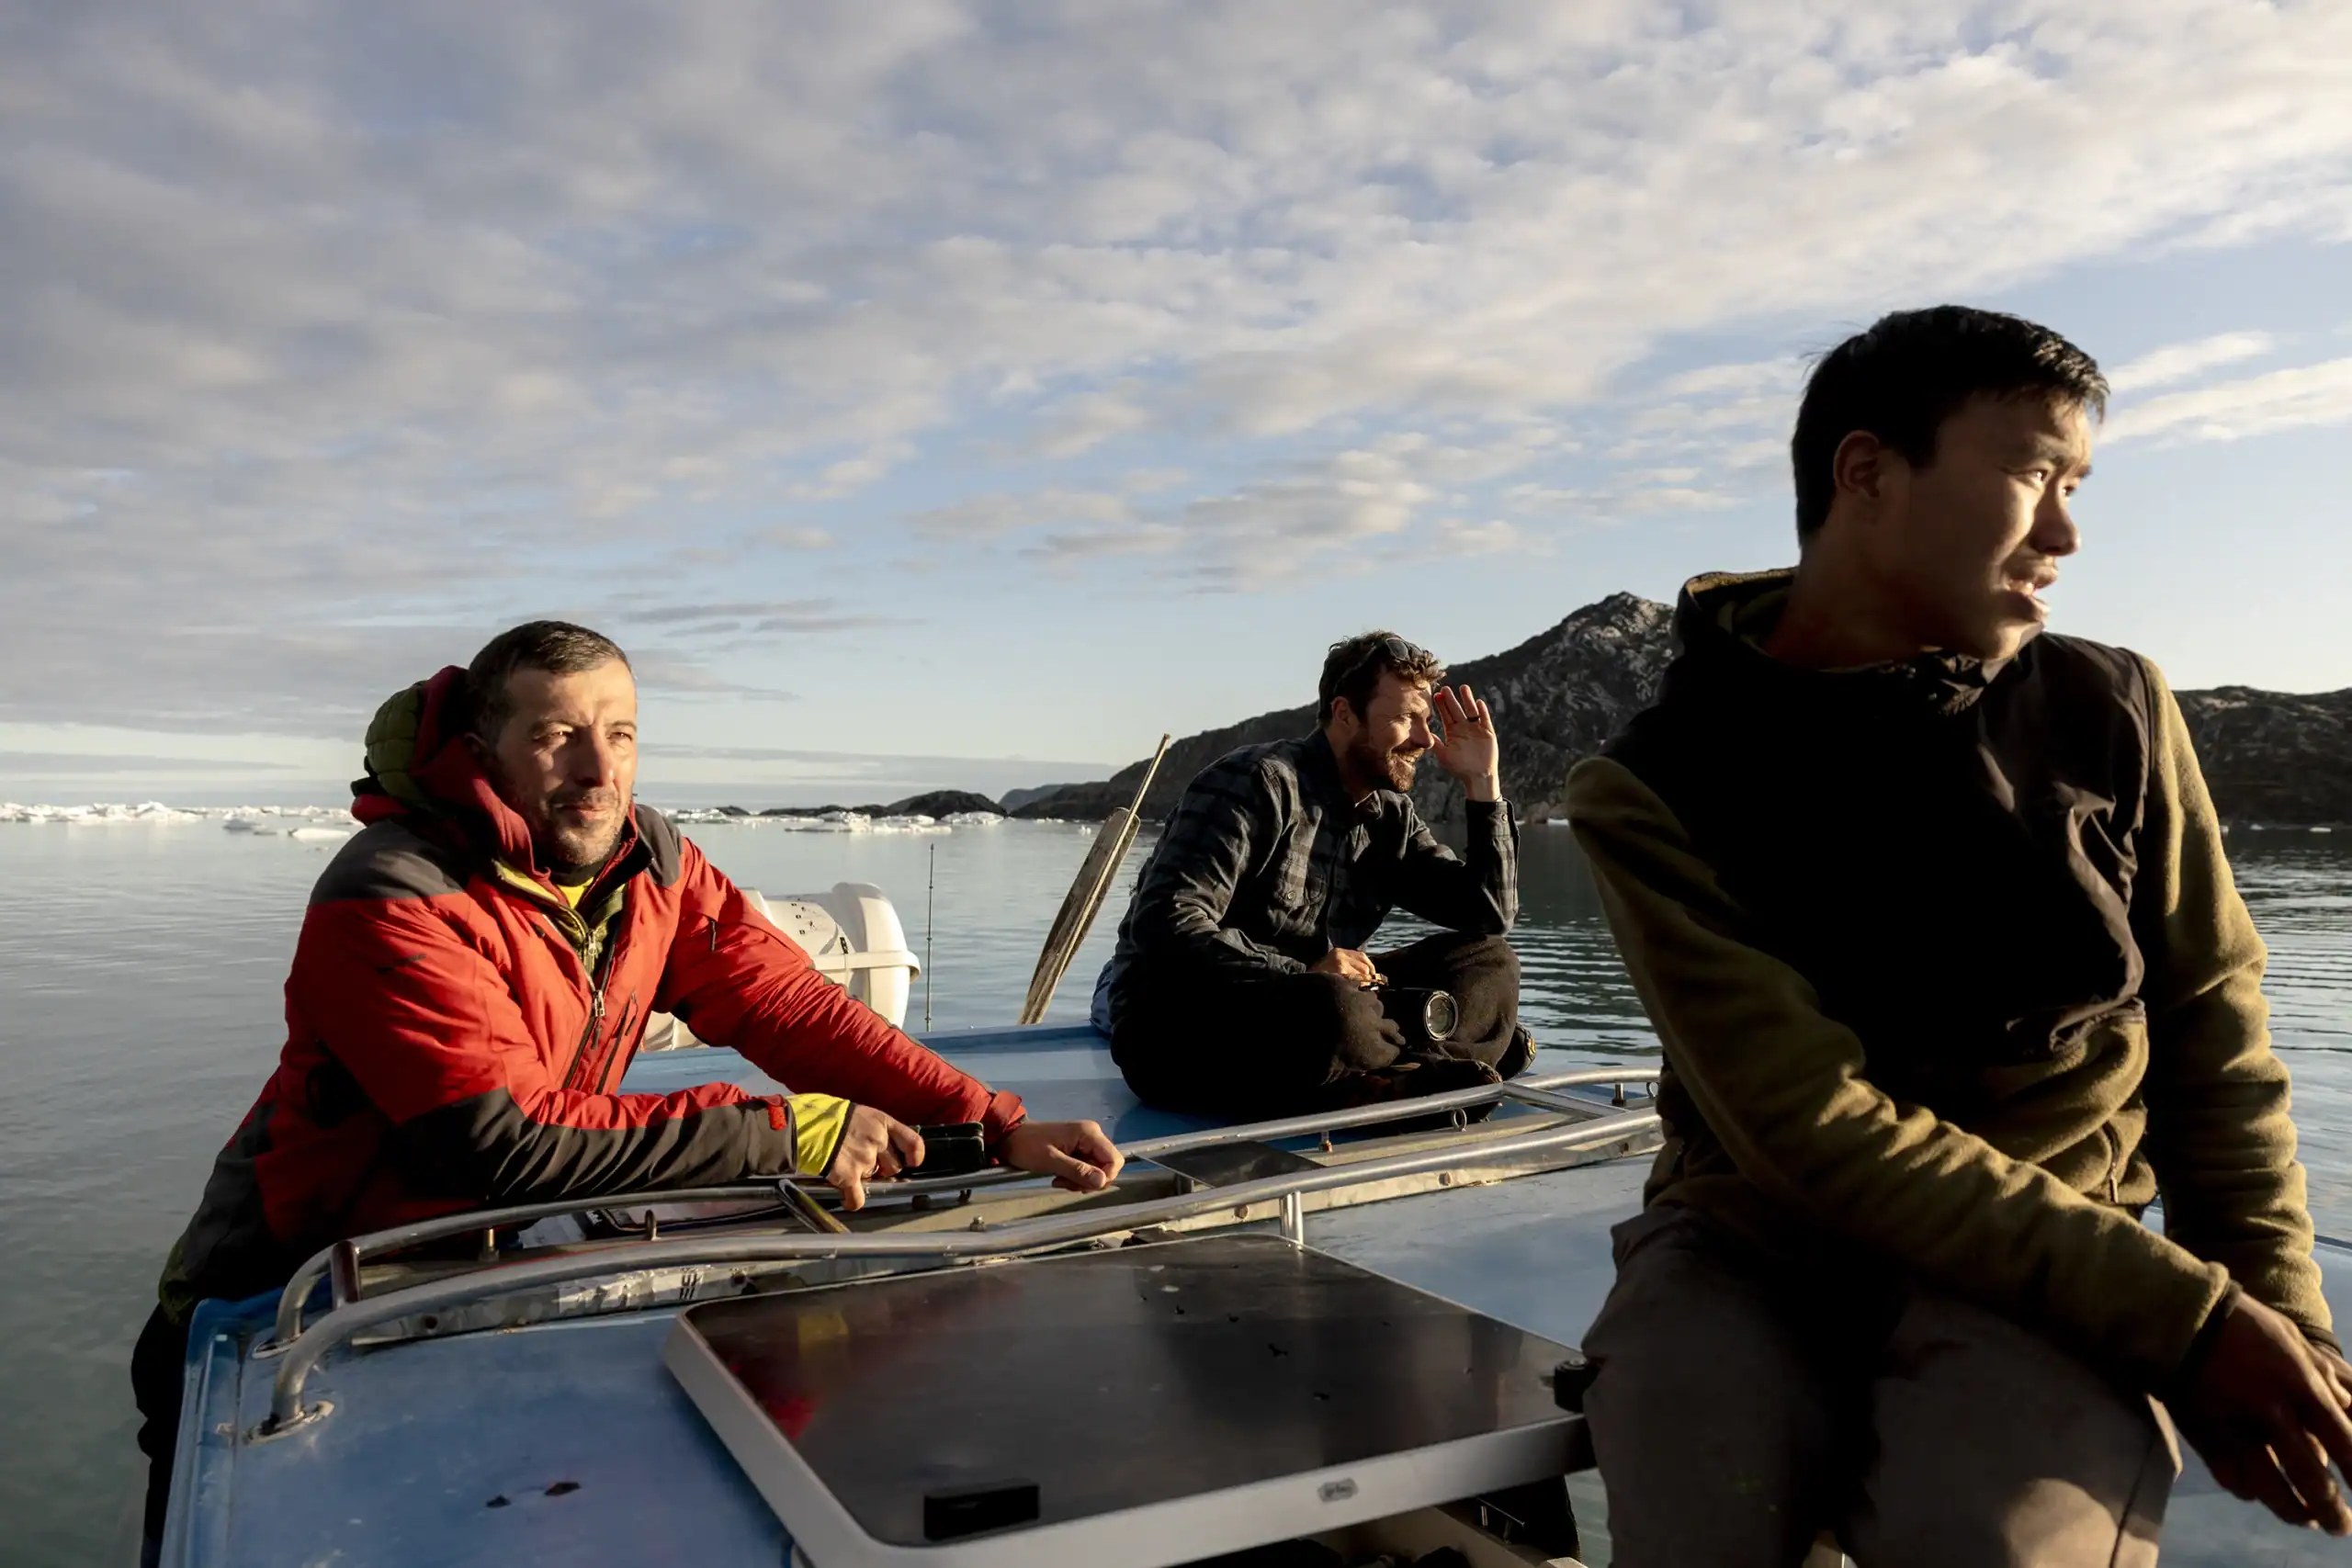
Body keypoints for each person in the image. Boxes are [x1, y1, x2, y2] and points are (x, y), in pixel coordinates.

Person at [1565, 305, 2351, 1565]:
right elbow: (1809, 1123)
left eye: (2076, 486)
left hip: (2060, 1247)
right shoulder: (1652, 785)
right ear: (1866, 473)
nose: (2066, 534)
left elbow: (2215, 1035)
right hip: (1750, 1242)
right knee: (1699, 1480)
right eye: (2035, 474)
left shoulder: (2113, 709)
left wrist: (2273, 1320)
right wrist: (2186, 1319)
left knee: (1992, 1540)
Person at [132, 621, 1123, 1559]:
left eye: (620, 734)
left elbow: (785, 1006)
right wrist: (791, 1132)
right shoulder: (396, 892)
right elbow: (504, 1140)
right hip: (276, 1306)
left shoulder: (650, 866)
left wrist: (996, 1124)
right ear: (481, 750)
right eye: (556, 736)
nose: (598, 769)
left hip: (457, 1276)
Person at [1092, 630, 1529, 1120]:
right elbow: (1165, 925)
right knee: (1335, 1010)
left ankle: (1389, 1076)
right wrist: (1302, 972)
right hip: (1183, 1024)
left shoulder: (1390, 817)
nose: (1425, 740)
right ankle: (1420, 1060)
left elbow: (1489, 914)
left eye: (1426, 722)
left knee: (1491, 963)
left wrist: (1483, 784)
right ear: (1344, 714)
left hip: (1323, 1010)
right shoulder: (1254, 783)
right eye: (1406, 718)